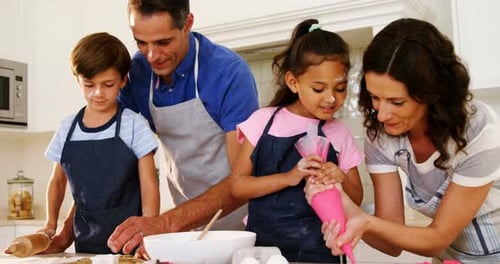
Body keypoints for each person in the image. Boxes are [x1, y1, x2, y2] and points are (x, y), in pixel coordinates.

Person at [309, 18, 500, 263]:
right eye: (375, 97)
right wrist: (339, 200)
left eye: (397, 102)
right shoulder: (381, 136)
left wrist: (365, 221)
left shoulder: (476, 128)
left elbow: (437, 238)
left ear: (431, 92)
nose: (382, 114)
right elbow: (390, 243)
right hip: (450, 257)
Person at [107, 0, 259, 257]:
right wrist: (66, 227)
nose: (152, 55)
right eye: (141, 42)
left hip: (239, 228)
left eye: (164, 42)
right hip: (182, 228)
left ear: (187, 24)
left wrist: (165, 223)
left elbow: (241, 180)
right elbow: (114, 152)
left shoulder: (228, 73)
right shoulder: (138, 74)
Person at [230, 19, 364, 263]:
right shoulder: (262, 121)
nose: (331, 99)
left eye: (340, 88)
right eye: (318, 88)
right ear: (293, 82)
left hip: (321, 254)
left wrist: (340, 178)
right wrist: (289, 177)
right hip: (264, 253)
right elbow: (237, 186)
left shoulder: (339, 133)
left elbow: (357, 199)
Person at [39, 32, 160, 254]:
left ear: (123, 80)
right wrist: (50, 224)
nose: (98, 93)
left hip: (129, 246)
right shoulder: (67, 128)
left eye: (107, 84)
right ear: (77, 79)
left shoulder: (133, 125)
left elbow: (149, 185)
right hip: (84, 245)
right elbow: (57, 182)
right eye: (89, 84)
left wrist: (148, 230)